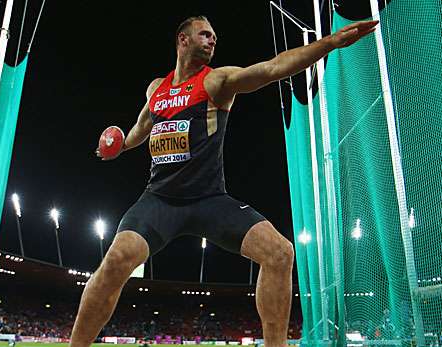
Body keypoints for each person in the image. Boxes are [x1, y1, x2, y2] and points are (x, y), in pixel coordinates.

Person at [70, 15, 378, 347]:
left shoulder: (217, 82)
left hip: (209, 202)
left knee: (280, 253)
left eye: (214, 36)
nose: (212, 40)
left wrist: (329, 43)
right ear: (182, 40)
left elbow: (273, 68)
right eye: (204, 34)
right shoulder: (156, 89)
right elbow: (141, 129)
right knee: (116, 259)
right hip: (159, 201)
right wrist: (122, 145)